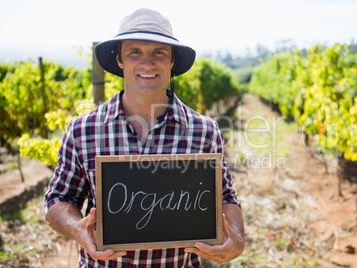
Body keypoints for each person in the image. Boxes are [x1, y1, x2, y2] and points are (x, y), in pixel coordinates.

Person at [44, 8, 244, 267]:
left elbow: (226, 197)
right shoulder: (83, 130)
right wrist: (76, 227)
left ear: (172, 60)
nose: (147, 62)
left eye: (159, 52)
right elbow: (59, 199)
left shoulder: (204, 131)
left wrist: (236, 238)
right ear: (119, 60)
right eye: (134, 52)